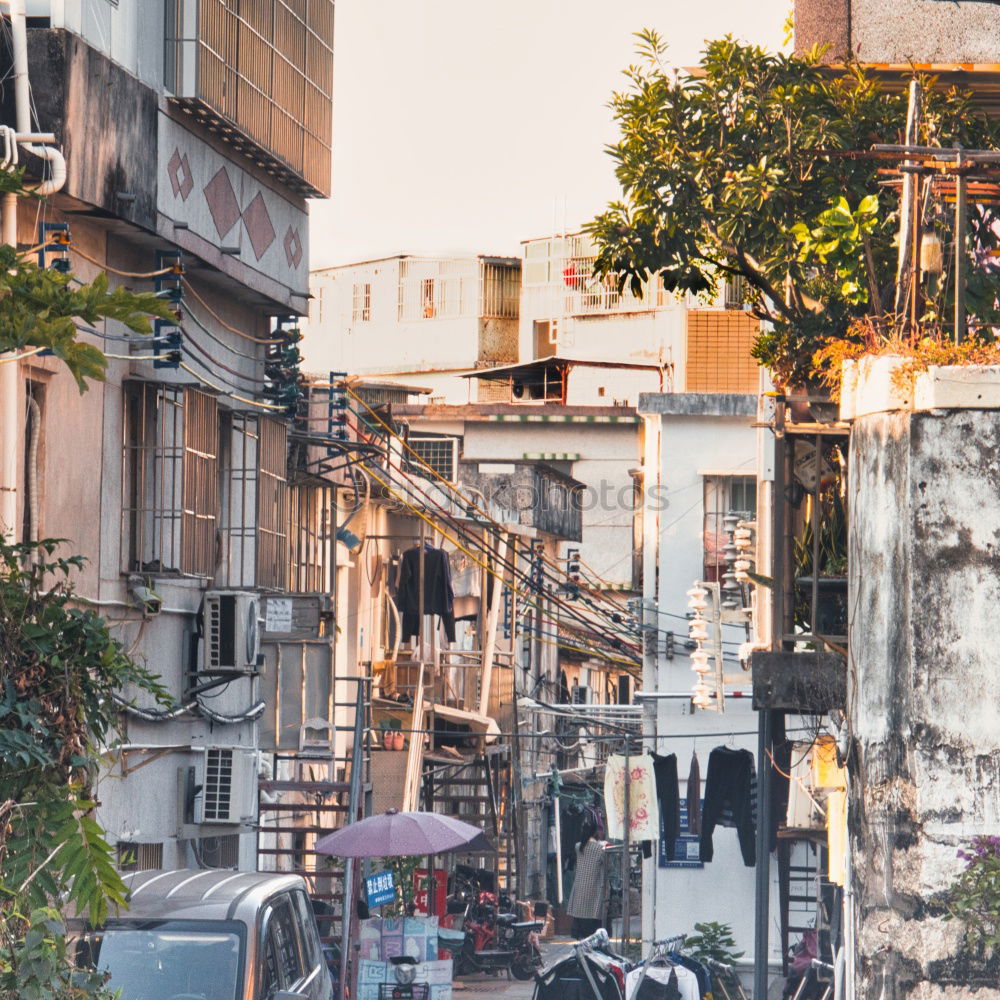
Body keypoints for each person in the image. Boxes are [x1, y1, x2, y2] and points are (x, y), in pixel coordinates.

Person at [565, 819, 607, 939]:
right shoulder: (599, 849)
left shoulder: (578, 847)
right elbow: (606, 865)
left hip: (579, 887)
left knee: (580, 915)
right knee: (591, 915)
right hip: (593, 888)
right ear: (595, 833)